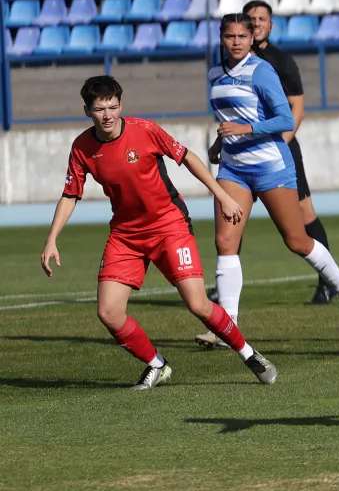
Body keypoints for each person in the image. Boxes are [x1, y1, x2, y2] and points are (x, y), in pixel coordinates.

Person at [40, 75, 278, 389]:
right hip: (126, 235)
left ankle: (248, 353)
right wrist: (52, 238)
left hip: (169, 227)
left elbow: (188, 158)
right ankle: (157, 364)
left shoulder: (145, 130)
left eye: (113, 106)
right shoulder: (82, 147)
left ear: (121, 105)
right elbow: (71, 194)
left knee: (198, 305)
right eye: (100, 109)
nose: (108, 114)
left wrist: (222, 196)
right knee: (109, 312)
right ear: (87, 111)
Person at [199, 13, 339, 350]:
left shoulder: (261, 70)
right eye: (229, 36)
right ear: (221, 38)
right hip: (233, 169)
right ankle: (227, 325)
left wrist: (245, 130)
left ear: (250, 38)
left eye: (242, 36)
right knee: (225, 242)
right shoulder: (215, 74)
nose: (235, 42)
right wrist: (219, 144)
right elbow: (227, 119)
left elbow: (284, 118)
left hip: (271, 167)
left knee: (296, 241)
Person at [203, 0, 336, 311]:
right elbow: (230, 117)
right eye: (252, 18)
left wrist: (275, 144)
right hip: (241, 157)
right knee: (229, 232)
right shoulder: (222, 69)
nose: (257, 23)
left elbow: (296, 111)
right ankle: (227, 301)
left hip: (279, 149)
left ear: (268, 26)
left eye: (262, 19)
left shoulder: (279, 61)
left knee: (302, 219)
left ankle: (329, 283)